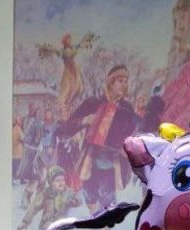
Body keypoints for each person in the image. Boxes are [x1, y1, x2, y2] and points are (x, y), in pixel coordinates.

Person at [54, 63, 139, 211]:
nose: (124, 85)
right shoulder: (92, 103)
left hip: (112, 164)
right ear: (110, 82)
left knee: (108, 203)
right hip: (90, 162)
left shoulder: (127, 108)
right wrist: (84, 120)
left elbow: (133, 134)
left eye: (126, 81)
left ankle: (105, 223)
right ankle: (96, 220)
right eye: (120, 81)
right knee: (90, 199)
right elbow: (65, 129)